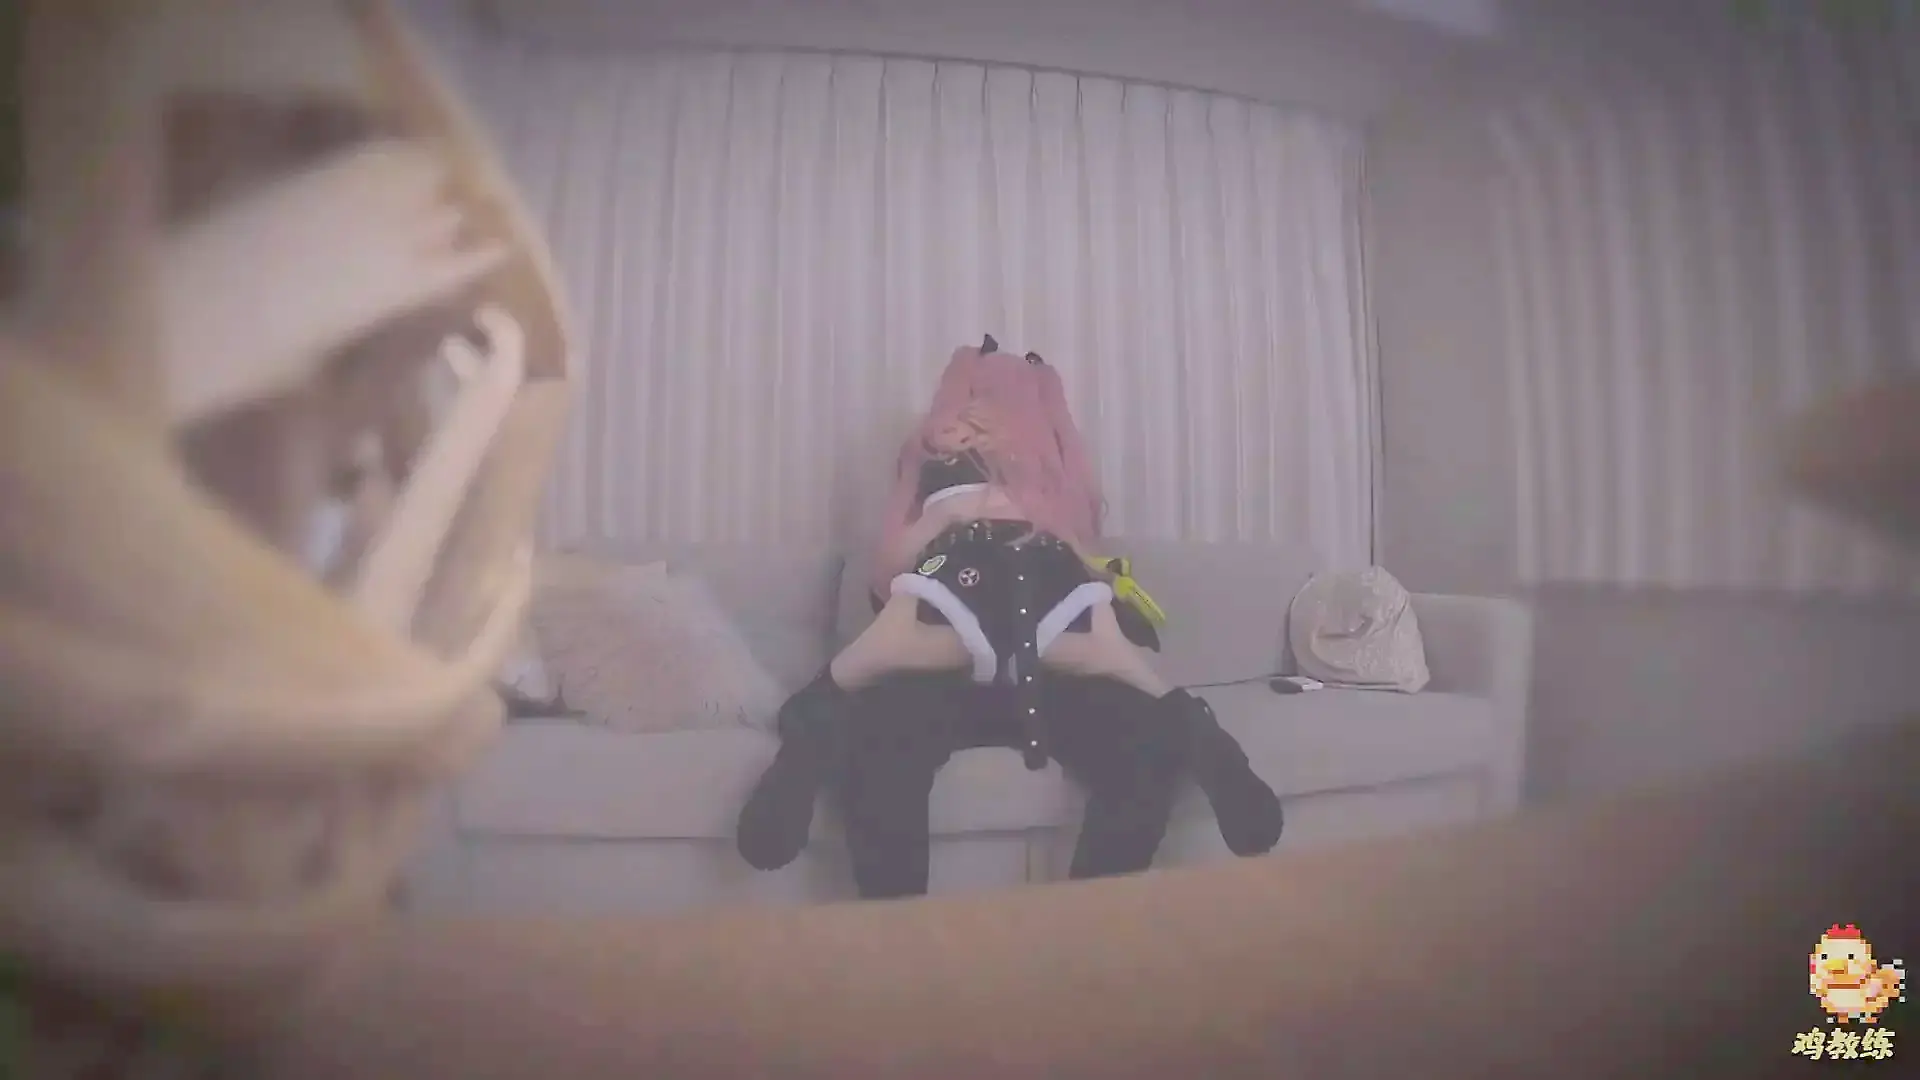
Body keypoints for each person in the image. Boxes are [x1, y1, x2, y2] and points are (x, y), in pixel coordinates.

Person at [736, 339, 1285, 892]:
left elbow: (1083, 562)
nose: (979, 417)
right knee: (876, 737)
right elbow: (889, 575)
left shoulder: (1052, 484)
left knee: (1148, 736)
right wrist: (943, 516)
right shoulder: (934, 471)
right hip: (944, 663)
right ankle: (895, 921)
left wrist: (1030, 514)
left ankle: (1092, 921)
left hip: (1050, 667)